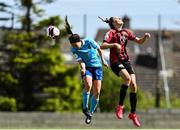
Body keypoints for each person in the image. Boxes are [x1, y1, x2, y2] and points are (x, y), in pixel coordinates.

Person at [99, 16, 151, 127]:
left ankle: (133, 114)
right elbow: (102, 45)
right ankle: (120, 106)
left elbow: (139, 42)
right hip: (115, 62)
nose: (119, 18)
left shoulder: (126, 32)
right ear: (113, 22)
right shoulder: (110, 33)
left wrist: (145, 37)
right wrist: (114, 44)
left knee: (134, 86)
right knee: (127, 79)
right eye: (117, 18)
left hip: (126, 61)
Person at [65, 16, 108, 124]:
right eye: (73, 45)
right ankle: (85, 108)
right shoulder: (74, 49)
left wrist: (103, 60)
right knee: (88, 86)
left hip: (97, 67)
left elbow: (99, 49)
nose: (75, 47)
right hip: (87, 68)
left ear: (80, 41)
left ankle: (90, 114)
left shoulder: (89, 41)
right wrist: (83, 69)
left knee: (97, 92)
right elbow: (81, 60)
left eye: (76, 44)